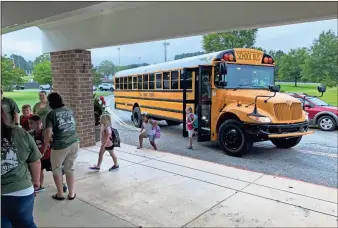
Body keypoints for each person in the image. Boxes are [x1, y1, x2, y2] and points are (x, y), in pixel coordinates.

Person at [1, 107, 41, 228]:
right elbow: (35, 160)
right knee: (26, 224)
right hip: (21, 191)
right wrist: (36, 181)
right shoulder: (19, 132)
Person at [44, 92, 79, 201]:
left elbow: (48, 133)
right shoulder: (69, 110)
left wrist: (46, 144)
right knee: (70, 169)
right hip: (74, 142)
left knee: (57, 169)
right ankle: (71, 194)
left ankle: (60, 194)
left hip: (60, 145)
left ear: (50, 102)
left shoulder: (51, 114)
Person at [28, 115, 68, 193]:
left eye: (31, 123)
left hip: (50, 156)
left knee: (56, 171)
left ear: (39, 123)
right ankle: (39, 186)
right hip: (39, 157)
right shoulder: (31, 134)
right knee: (39, 171)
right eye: (29, 123)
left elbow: (53, 141)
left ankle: (62, 184)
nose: (29, 125)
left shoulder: (46, 132)